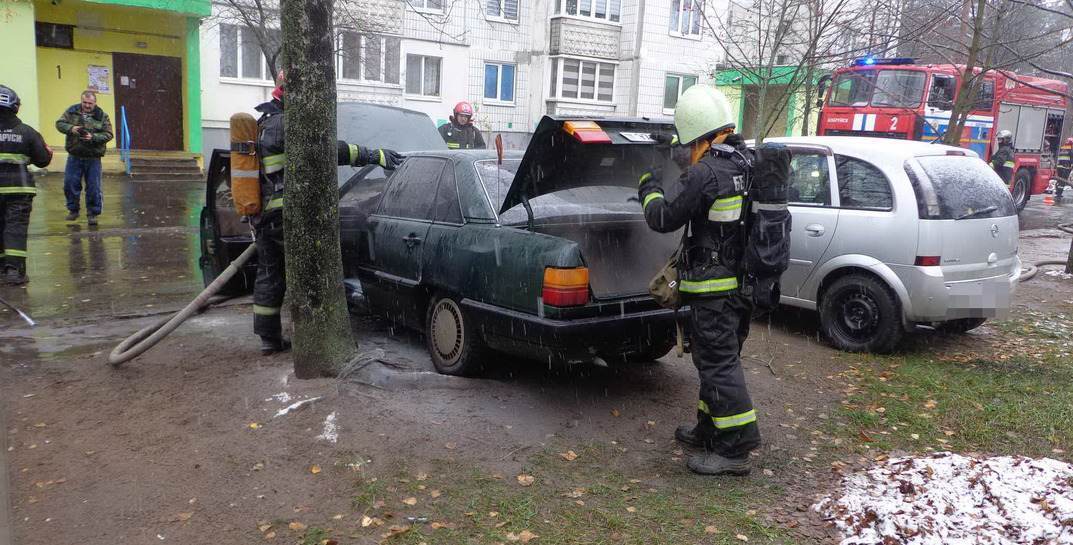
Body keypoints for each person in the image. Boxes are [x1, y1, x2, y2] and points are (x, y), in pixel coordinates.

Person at [637, 85, 761, 476]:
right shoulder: (745, 162)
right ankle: (710, 427)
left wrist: (648, 183)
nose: (687, 152)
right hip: (741, 285)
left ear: (701, 135)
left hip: (714, 289)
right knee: (715, 361)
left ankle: (734, 448)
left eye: (689, 143)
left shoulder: (707, 172)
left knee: (719, 364)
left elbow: (662, 218)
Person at [252, 71, 404, 355]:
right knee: (311, 273)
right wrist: (373, 155)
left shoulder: (266, 122)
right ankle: (316, 339)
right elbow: (324, 151)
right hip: (287, 212)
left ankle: (268, 339)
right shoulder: (286, 123)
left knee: (270, 275)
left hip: (266, 215)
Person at [0, 85, 53, 285]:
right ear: (15, 107)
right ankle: (14, 271)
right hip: (19, 189)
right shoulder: (27, 132)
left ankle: (1, 267)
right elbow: (42, 159)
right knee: (15, 227)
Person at [55, 90, 112, 226]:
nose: (87, 105)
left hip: (93, 158)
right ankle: (73, 210)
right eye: (84, 102)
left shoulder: (102, 116)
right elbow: (59, 124)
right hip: (75, 156)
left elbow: (109, 134)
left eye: (90, 103)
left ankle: (92, 213)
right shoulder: (72, 111)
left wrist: (93, 137)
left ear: (95, 103)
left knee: (93, 187)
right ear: (81, 101)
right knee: (70, 184)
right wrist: (71, 128)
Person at [1056, 137, 1072, 204]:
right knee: (1063, 181)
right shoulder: (1071, 149)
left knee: (1059, 180)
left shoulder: (1062, 147)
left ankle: (1057, 192)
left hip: (1059, 167)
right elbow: (1072, 159)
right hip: (1066, 168)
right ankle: (1059, 194)